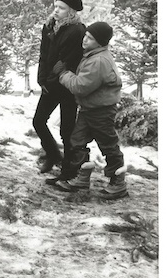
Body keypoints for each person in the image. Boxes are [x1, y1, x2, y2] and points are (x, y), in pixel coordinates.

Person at [50, 22, 128, 200]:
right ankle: (82, 178)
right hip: (89, 108)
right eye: (85, 35)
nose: (85, 39)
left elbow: (80, 86)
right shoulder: (92, 55)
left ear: (100, 42)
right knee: (77, 141)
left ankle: (118, 183)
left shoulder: (99, 61)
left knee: (108, 144)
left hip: (101, 111)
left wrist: (63, 74)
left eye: (90, 38)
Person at [34, 0, 86, 179]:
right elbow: (44, 56)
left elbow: (66, 62)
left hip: (67, 86)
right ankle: (53, 154)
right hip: (50, 83)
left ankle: (69, 169)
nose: (56, 10)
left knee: (67, 129)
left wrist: (50, 81)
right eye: (55, 6)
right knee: (38, 121)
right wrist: (41, 79)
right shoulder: (49, 26)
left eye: (61, 8)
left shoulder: (77, 30)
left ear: (71, 12)